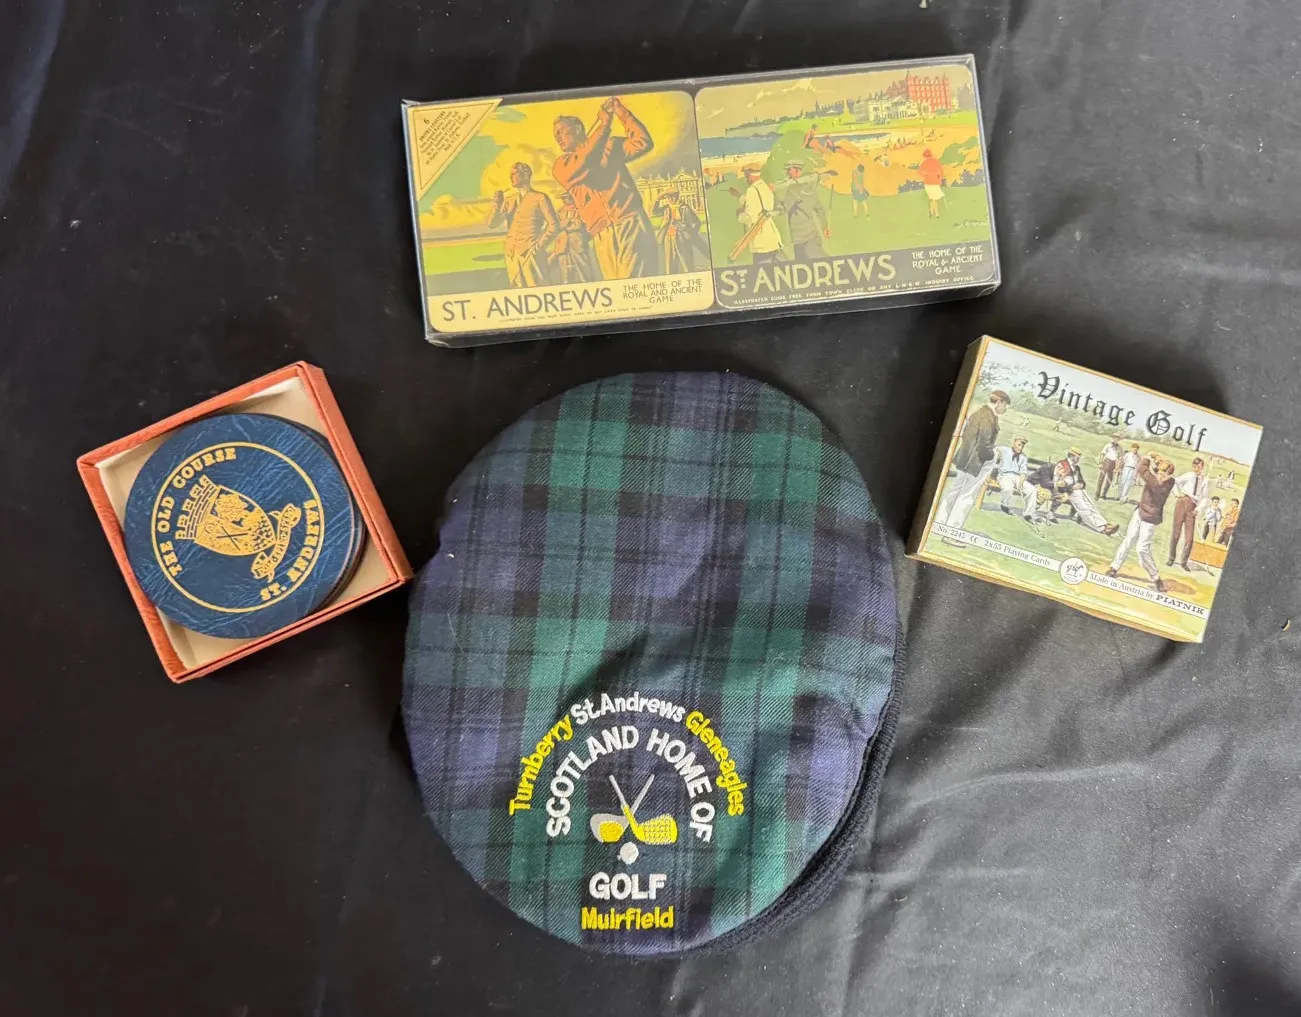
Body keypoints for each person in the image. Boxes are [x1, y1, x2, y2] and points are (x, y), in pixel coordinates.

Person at [552, 97, 657, 280]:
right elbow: (585, 161)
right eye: (555, 135)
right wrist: (604, 125)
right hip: (601, 233)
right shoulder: (562, 165)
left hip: (629, 220)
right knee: (617, 287)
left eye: (561, 131)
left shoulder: (611, 145)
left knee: (632, 282)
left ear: (578, 129)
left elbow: (642, 142)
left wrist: (621, 112)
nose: (557, 137)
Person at [937, 390, 1009, 531]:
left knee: (955, 490)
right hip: (977, 463)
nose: (1005, 409)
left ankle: (940, 523)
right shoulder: (988, 417)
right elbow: (983, 445)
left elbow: (967, 437)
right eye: (1005, 405)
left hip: (965, 460)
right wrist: (994, 455)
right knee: (967, 495)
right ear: (999, 402)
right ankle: (953, 530)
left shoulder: (978, 413)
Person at [1106, 455, 1178, 592]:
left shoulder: (1161, 483)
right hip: (1139, 512)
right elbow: (1152, 471)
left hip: (1150, 518)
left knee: (1142, 549)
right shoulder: (1164, 479)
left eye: (1164, 475)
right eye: (1159, 472)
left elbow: (1142, 468)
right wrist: (1158, 462)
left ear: (1169, 475)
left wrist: (1148, 456)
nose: (1160, 476)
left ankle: (1156, 578)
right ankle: (1114, 567)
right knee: (1128, 540)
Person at [487, 163, 559, 288]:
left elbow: (554, 225)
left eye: (514, 174)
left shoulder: (540, 198)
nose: (510, 177)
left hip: (531, 253)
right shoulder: (509, 201)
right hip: (511, 254)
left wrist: (539, 245)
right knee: (516, 290)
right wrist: (496, 206)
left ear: (525, 175)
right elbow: (492, 224)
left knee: (537, 287)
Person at [1056, 447, 1121, 534]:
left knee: (1091, 505)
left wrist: (1081, 484)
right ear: (1071, 456)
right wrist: (1071, 487)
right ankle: (1102, 529)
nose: (1078, 459)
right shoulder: (1062, 465)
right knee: (1084, 508)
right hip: (1067, 492)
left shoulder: (1076, 467)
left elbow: (1081, 481)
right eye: (1077, 457)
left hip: (1078, 490)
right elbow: (1058, 482)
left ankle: (1105, 524)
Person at [781, 161, 830, 261]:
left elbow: (783, 208)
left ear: (797, 170)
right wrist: (825, 227)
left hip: (801, 240)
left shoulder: (793, 189)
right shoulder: (809, 187)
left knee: (822, 263)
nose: (788, 173)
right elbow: (819, 209)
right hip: (811, 236)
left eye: (790, 170)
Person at [736, 165, 784, 263]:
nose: (745, 178)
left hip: (761, 242)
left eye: (745, 175)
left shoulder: (751, 190)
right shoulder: (764, 187)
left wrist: (739, 215)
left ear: (749, 175)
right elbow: (757, 201)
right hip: (772, 237)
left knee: (761, 270)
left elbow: (751, 218)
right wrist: (738, 195)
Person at [1167, 456, 1209, 570]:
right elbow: (1174, 482)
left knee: (1189, 538)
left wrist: (1198, 509)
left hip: (1192, 507)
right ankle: (1171, 558)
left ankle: (1183, 562)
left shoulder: (1205, 480)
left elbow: (1205, 497)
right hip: (1182, 503)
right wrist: (1176, 494)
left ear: (1202, 467)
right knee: (1176, 533)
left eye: (1198, 467)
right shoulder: (1188, 475)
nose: (1196, 469)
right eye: (1194, 467)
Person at [651, 189, 707, 273]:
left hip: (682, 237)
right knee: (670, 263)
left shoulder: (684, 208)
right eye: (668, 197)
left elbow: (696, 223)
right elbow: (654, 212)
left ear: (677, 197)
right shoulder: (666, 208)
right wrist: (658, 199)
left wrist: (688, 232)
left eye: (672, 197)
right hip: (668, 237)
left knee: (685, 262)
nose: (670, 199)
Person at [552, 193, 595, 284]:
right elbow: (556, 226)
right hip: (562, 246)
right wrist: (570, 221)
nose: (564, 200)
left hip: (578, 243)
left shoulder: (581, 209)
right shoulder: (560, 211)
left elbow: (581, 225)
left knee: (584, 272)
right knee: (565, 275)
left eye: (566, 198)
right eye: (562, 198)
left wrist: (566, 226)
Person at [990, 436, 1030, 514]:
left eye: (1022, 446)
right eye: (1019, 445)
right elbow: (993, 449)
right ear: (1014, 443)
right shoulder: (1004, 450)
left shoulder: (1023, 457)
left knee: (1032, 490)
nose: (1020, 448)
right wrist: (997, 454)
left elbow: (1023, 471)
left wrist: (1020, 483)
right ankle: (1004, 505)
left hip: (1017, 477)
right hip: (1004, 475)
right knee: (1008, 488)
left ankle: (1028, 513)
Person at [918, 148, 945, 218]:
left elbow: (920, 172)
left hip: (928, 183)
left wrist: (926, 174)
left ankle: (932, 212)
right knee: (934, 199)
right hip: (935, 182)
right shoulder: (936, 162)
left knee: (933, 198)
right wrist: (940, 179)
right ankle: (936, 213)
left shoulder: (924, 163)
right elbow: (941, 171)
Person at [1096, 434, 1123, 500]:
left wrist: (1116, 468)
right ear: (1112, 438)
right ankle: (1097, 494)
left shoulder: (1120, 448)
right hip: (1106, 462)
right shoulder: (1108, 445)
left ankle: (1103, 495)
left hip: (1113, 464)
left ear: (1118, 439)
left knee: (1109, 480)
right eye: (1114, 438)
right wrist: (1100, 463)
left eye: (1117, 438)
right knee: (1101, 479)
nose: (1115, 439)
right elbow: (1102, 454)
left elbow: (1120, 459)